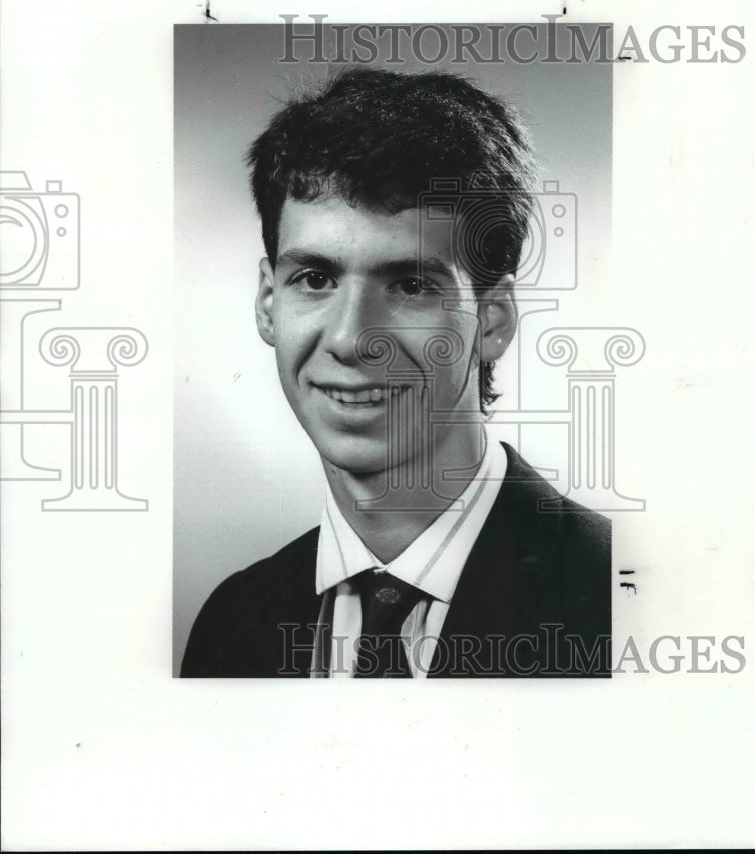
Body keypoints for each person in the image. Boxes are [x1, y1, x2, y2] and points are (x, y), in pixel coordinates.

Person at [181, 67, 610, 679]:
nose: (353, 339)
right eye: (316, 279)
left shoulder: (622, 607)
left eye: (410, 285)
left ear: (493, 320)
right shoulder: (231, 625)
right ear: (268, 302)